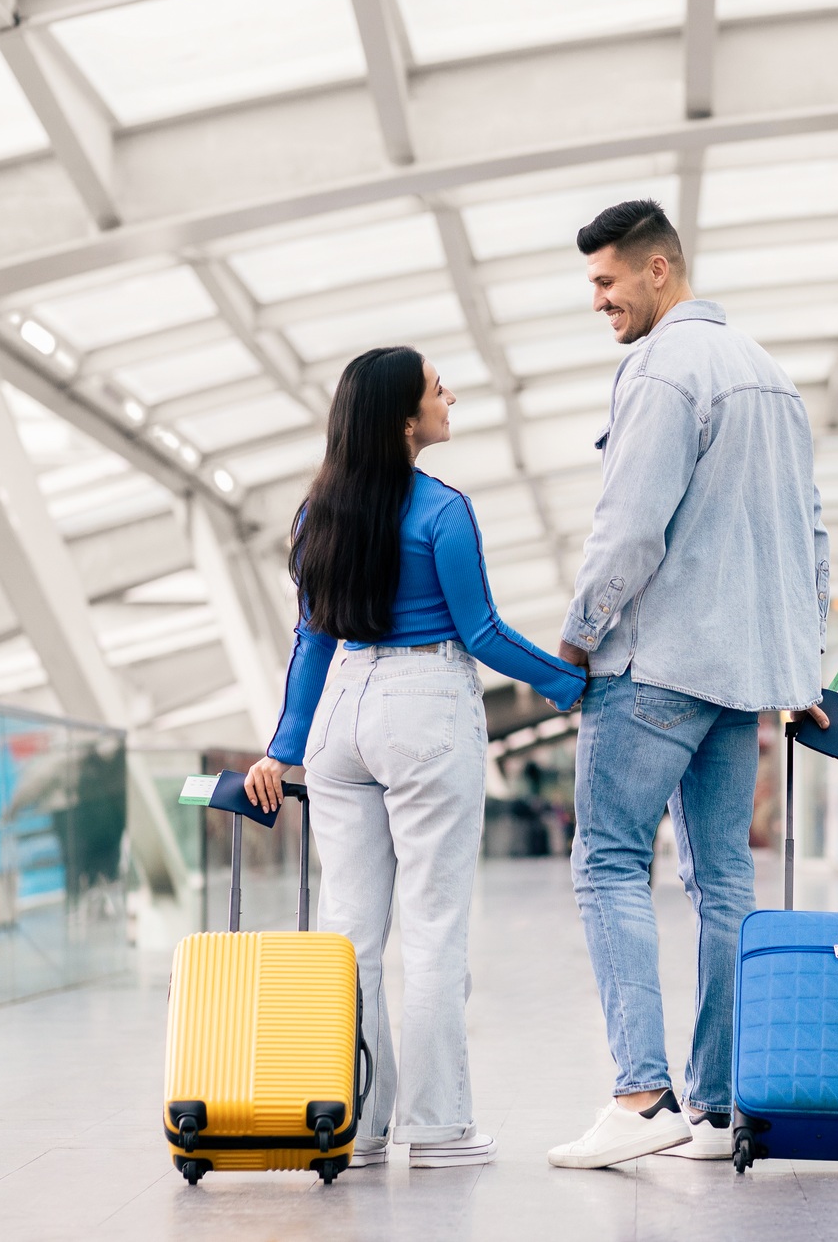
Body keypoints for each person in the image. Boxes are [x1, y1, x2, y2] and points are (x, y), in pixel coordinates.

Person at [245, 346, 586, 1171]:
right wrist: (566, 682)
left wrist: (281, 751)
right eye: (439, 389)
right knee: (433, 926)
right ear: (405, 419)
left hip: (340, 723)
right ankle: (438, 1129)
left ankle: (353, 1126)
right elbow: (481, 633)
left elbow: (312, 639)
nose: (451, 396)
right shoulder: (442, 510)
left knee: (349, 936)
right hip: (425, 705)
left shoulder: (313, 515)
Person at [546, 201, 830, 1170]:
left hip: (656, 663)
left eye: (605, 281)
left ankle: (638, 1094)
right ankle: (712, 1110)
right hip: (740, 675)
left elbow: (628, 528)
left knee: (608, 861)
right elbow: (809, 535)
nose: (598, 301)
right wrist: (804, 664)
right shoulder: (772, 378)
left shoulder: (662, 369)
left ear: (658, 270)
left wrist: (579, 636)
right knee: (723, 883)